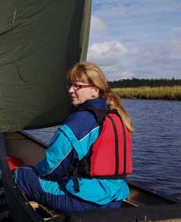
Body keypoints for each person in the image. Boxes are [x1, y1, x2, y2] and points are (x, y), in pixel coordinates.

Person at [13, 61, 134, 213]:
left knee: (23, 173)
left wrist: (35, 171)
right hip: (115, 198)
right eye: (70, 85)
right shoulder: (115, 116)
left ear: (95, 91)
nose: (71, 90)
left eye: (78, 86)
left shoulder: (81, 120)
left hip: (85, 202)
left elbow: (53, 167)